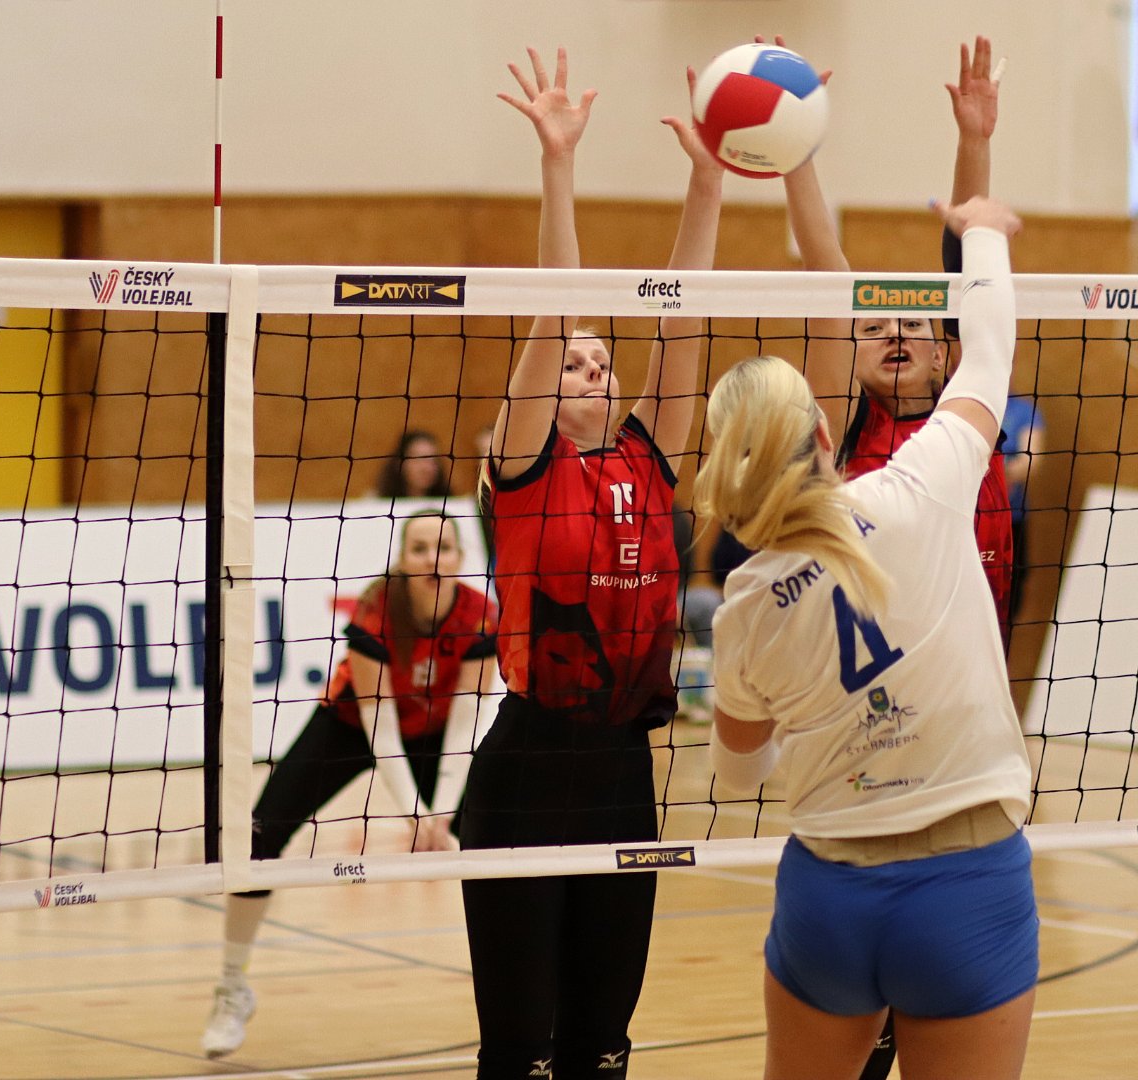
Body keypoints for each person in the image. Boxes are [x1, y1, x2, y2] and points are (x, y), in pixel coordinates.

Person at [702, 195, 1034, 1080]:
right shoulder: (920, 486)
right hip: (967, 887)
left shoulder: (744, 602)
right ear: (824, 430)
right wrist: (983, 232)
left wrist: (835, 718)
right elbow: (988, 349)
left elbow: (738, 773)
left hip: (829, 895)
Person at [458, 47, 721, 1079]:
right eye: (570, 360)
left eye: (601, 359)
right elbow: (550, 302)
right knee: (520, 1053)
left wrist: (707, 184)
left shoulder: (648, 461)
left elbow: (683, 323)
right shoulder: (525, 466)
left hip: (623, 775)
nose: (591, 367)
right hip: (524, 776)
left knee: (602, 1051)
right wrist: (558, 165)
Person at [200, 508, 497, 1059]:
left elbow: (465, 722)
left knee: (502, 838)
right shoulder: (377, 608)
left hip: (436, 737)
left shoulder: (481, 615)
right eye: (419, 549)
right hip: (350, 726)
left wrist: (442, 813)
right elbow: (379, 726)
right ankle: (231, 986)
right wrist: (415, 814)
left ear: (461, 557)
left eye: (444, 548)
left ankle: (520, 991)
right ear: (402, 560)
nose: (433, 559)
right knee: (258, 837)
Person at [785, 36, 1018, 657]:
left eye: (915, 324)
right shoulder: (844, 426)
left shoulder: (968, 419)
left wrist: (974, 142)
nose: (894, 331)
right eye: (873, 329)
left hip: (973, 666)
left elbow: (968, 265)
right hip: (879, 673)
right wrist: (793, 148)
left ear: (943, 356)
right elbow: (827, 276)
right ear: (851, 358)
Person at [377, 428, 454, 499]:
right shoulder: (377, 504)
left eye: (433, 460)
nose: (427, 468)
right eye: (418, 459)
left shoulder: (452, 504)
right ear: (399, 463)